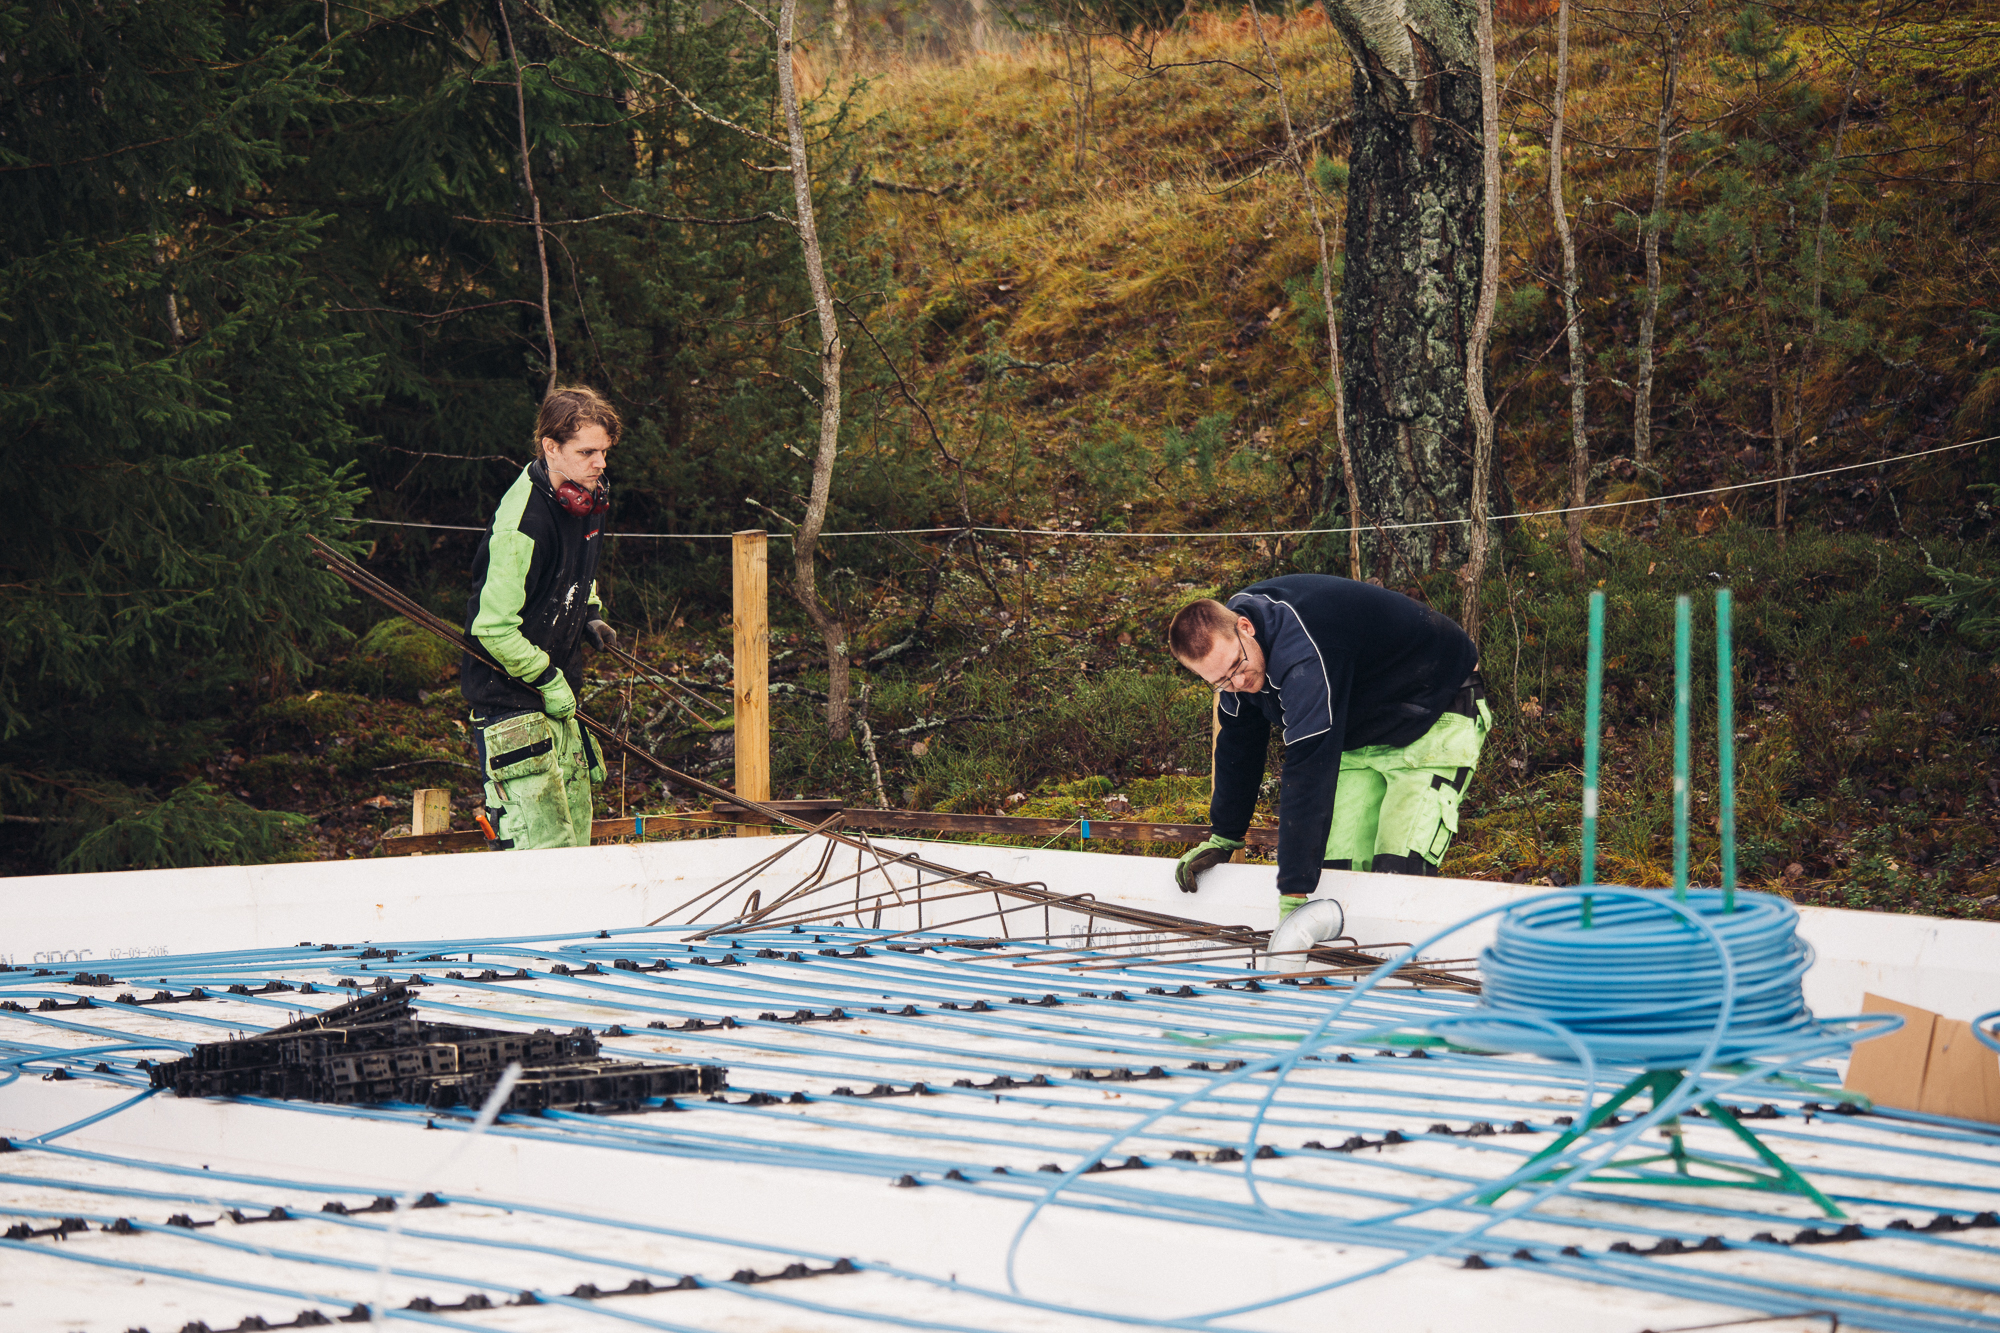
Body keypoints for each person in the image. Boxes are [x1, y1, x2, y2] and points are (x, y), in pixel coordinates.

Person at [1166, 574, 1492, 953]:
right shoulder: (1234, 664)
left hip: (1434, 705)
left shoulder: (1302, 650)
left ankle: (1396, 981)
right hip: (1361, 726)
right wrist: (1225, 835)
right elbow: (1239, 747)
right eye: (1221, 681)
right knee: (1340, 872)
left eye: (1238, 667)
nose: (1237, 682)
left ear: (1245, 626)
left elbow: (1308, 772)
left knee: (1399, 870)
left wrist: (1292, 894)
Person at [460, 386, 622, 850]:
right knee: (537, 847)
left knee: (575, 841)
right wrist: (546, 679)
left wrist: (589, 612)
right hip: (511, 703)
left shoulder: (587, 497)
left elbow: (576, 570)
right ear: (551, 448)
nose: (600, 464)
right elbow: (491, 627)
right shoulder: (522, 524)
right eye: (587, 452)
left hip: (561, 698)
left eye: (604, 452)